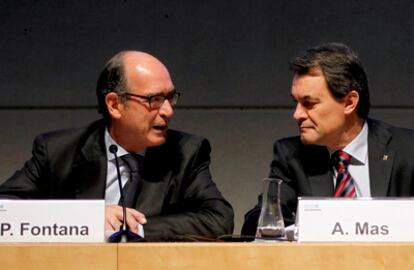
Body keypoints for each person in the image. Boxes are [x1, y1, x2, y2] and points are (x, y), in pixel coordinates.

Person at [0, 51, 234, 241]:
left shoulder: (186, 152)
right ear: (114, 104)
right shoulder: (58, 152)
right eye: (154, 100)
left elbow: (218, 219)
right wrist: (88, 219)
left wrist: (131, 228)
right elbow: (4, 210)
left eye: (170, 97)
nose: (168, 111)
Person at [242, 42, 414, 235]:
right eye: (296, 102)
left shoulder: (407, 150)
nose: (297, 114)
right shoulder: (292, 156)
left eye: (309, 103)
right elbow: (257, 222)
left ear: (349, 102)